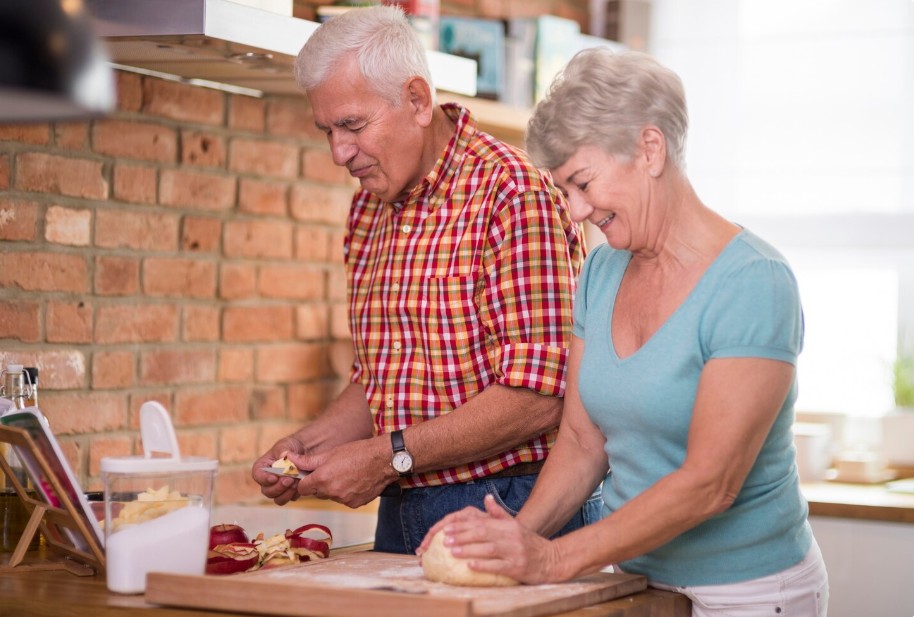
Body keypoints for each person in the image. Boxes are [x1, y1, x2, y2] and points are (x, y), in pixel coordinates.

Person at [418, 49, 829, 616]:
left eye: (583, 182)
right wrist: (512, 539)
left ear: (649, 149)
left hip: (751, 591)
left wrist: (555, 561)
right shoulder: (601, 272)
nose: (577, 209)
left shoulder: (753, 281)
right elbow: (585, 442)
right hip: (636, 580)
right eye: (565, 189)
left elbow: (712, 483)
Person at [250, 5, 587, 555]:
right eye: (328, 130)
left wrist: (385, 456)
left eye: (353, 125)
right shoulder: (369, 209)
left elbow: (538, 397)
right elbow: (383, 380)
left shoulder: (512, 194)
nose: (339, 152)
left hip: (513, 505)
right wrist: (306, 448)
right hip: (403, 504)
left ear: (417, 99)